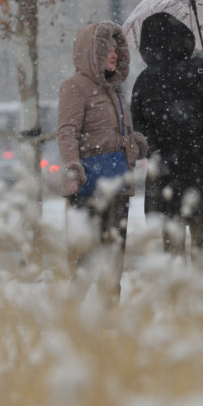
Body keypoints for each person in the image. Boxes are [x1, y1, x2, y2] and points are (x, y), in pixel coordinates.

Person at [130, 12, 203, 257]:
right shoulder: (199, 69)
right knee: (202, 238)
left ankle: (176, 291)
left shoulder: (144, 81)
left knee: (172, 244)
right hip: (202, 169)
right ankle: (201, 291)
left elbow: (140, 131)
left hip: (164, 173)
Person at [58, 21, 147, 301]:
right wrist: (73, 167)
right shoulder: (75, 86)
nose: (114, 54)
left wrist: (134, 143)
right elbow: (67, 132)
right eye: (106, 49)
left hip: (119, 177)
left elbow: (118, 131)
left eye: (116, 49)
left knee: (115, 248)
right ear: (91, 53)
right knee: (89, 252)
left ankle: (110, 313)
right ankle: (73, 311)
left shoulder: (115, 88)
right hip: (90, 183)